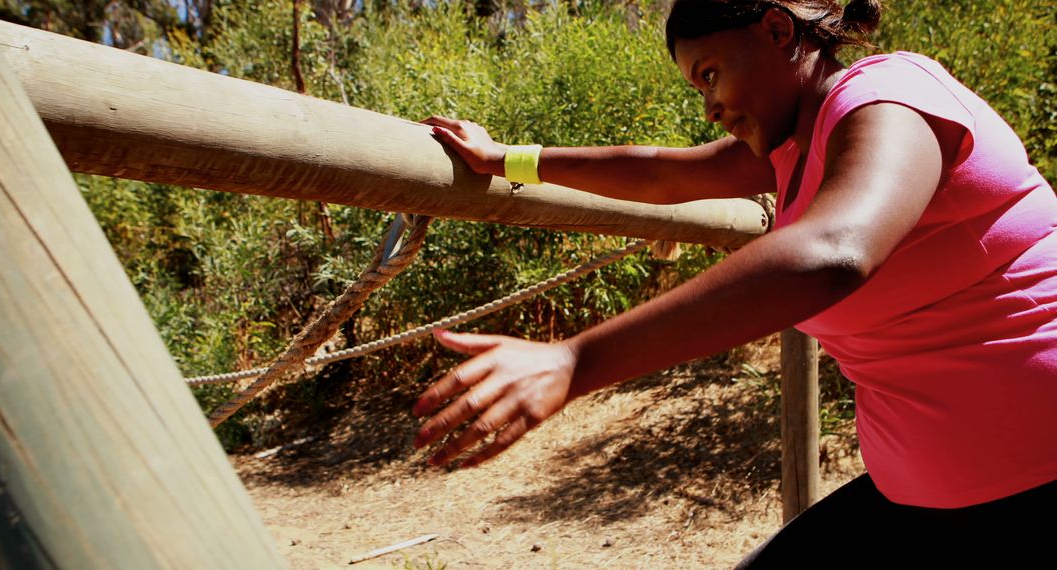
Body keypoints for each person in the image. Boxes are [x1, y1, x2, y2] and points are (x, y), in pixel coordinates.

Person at [414, 0, 1056, 563]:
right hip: (928, 492)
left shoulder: (889, 95)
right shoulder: (794, 150)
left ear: (777, 30)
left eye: (711, 75)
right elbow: (660, 176)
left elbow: (835, 250)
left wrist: (575, 359)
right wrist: (505, 159)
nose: (710, 107)